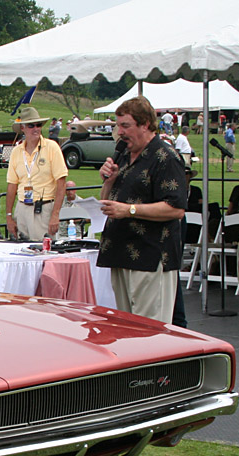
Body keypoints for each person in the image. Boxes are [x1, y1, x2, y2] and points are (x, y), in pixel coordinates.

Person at [97, 95, 186, 324]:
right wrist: (108, 181)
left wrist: (130, 211)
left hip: (150, 254)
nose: (120, 132)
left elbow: (176, 208)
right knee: (127, 327)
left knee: (149, 329)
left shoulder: (165, 157)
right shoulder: (124, 156)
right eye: (118, 126)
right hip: (120, 252)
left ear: (145, 124)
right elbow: (107, 204)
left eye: (125, 125)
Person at [5, 106, 68, 242]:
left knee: (42, 251)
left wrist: (55, 214)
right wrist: (9, 216)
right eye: (31, 125)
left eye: (38, 125)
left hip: (43, 208)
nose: (36, 128)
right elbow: (11, 185)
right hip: (22, 208)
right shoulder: (16, 151)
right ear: (23, 128)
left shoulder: (52, 147)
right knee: (19, 249)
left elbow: (61, 183)